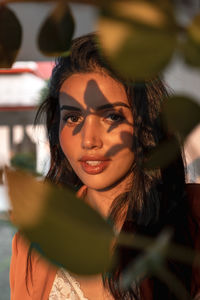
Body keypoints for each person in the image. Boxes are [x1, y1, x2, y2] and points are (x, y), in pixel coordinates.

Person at [10, 33, 200, 300]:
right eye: (73, 118)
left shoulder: (191, 215)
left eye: (112, 116)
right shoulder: (33, 242)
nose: (88, 140)